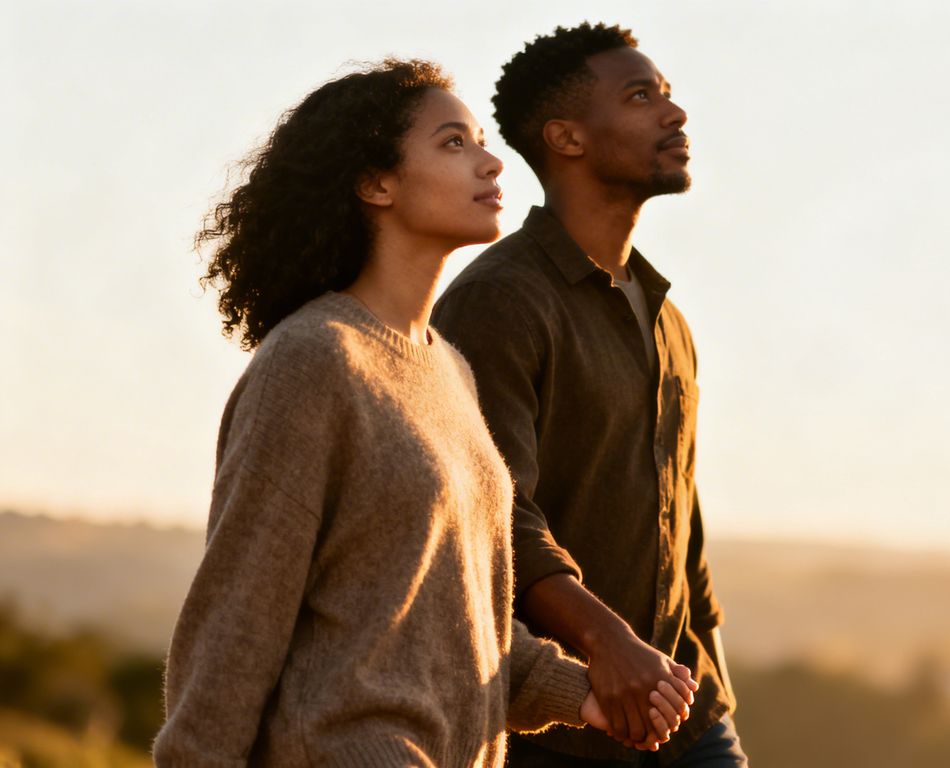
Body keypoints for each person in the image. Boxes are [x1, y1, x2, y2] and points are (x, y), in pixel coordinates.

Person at [154, 58, 696, 767]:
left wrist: (576, 693)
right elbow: (236, 626)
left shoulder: (449, 370)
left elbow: (458, 620)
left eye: (479, 140)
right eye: (453, 144)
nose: (491, 161)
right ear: (375, 183)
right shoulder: (314, 361)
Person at [431, 24, 748, 767]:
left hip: (688, 716)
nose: (675, 115)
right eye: (641, 97)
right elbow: (492, 509)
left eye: (668, 95)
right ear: (566, 138)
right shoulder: (498, 301)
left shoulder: (666, 316)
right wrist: (607, 643)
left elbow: (680, 515)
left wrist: (713, 689)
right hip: (558, 726)